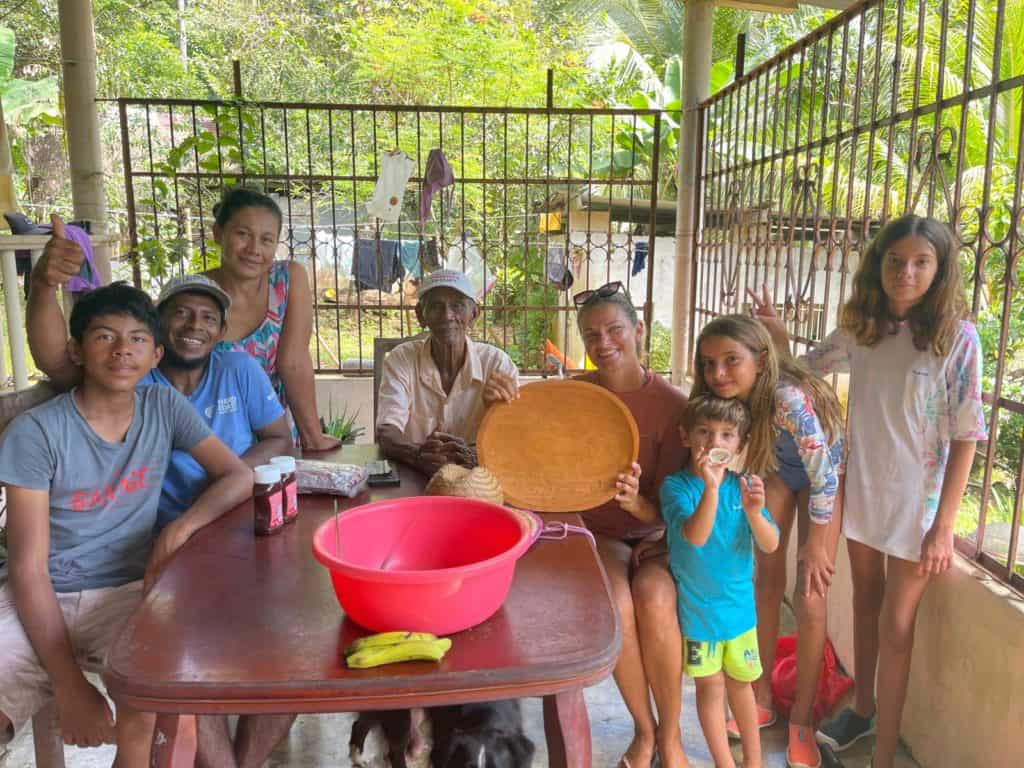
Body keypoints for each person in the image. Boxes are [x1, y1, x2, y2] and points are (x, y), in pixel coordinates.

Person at [26, 225, 299, 767]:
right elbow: (56, 358)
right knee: (193, 664)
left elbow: (269, 444)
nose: (194, 326)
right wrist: (42, 287)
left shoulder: (221, 376)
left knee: (282, 647)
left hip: (220, 533)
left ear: (222, 332)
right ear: (157, 334)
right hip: (145, 561)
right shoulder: (136, 385)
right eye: (180, 313)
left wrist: (189, 522)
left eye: (208, 318)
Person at [751, 215, 985, 768]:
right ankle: (863, 706)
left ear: (940, 269)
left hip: (918, 506)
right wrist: (779, 340)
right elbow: (807, 370)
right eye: (895, 260)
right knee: (863, 600)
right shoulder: (864, 329)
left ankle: (882, 755)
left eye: (921, 262)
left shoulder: (958, 337)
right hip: (863, 490)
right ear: (877, 266)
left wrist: (944, 525)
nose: (906, 272)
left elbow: (967, 434)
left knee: (898, 625)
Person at [0, 283, 252, 763]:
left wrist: (178, 530)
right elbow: (29, 569)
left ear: (156, 354)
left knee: (156, 703)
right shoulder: (36, 432)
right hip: (42, 593)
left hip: (128, 591)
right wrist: (70, 687)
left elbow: (236, 475)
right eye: (104, 337)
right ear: (76, 349)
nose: (122, 350)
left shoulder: (163, 408)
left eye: (137, 339)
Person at [691, 313, 844, 768]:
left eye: (730, 361)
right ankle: (758, 695)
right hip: (777, 471)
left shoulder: (786, 399)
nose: (717, 374)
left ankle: (801, 722)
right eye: (708, 363)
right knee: (765, 582)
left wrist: (817, 541)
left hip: (826, 479)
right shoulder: (727, 402)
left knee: (812, 597)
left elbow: (825, 476)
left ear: (760, 360)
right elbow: (722, 457)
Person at [571, 281, 689, 768]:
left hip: (658, 535)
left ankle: (674, 739)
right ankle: (645, 732)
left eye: (614, 330)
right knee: (616, 601)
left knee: (655, 598)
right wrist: (499, 395)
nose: (604, 344)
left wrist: (639, 505)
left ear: (639, 330)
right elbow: (526, 437)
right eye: (591, 335)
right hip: (597, 535)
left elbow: (673, 507)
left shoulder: (674, 406)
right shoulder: (573, 394)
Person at [659, 394, 780, 768]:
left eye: (727, 435)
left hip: (740, 615)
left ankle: (754, 762)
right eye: (705, 432)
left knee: (742, 687)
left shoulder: (744, 488)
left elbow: (771, 543)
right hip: (699, 616)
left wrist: (756, 513)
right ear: (686, 436)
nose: (714, 443)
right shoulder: (676, 488)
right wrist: (710, 488)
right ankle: (725, 763)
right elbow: (694, 536)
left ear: (739, 445)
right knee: (710, 689)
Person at [204, 186, 340, 451]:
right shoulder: (194, 292)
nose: (254, 249)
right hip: (211, 442)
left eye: (266, 240)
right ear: (218, 234)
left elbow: (294, 362)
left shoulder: (287, 279)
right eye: (243, 234)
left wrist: (313, 438)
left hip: (274, 439)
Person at [376, 269, 519, 476]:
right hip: (416, 474)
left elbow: (517, 436)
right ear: (420, 315)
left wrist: (495, 411)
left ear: (474, 314)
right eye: (435, 306)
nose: (447, 316)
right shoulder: (402, 359)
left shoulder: (496, 364)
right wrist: (417, 455)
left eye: (458, 306)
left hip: (478, 480)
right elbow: (387, 432)